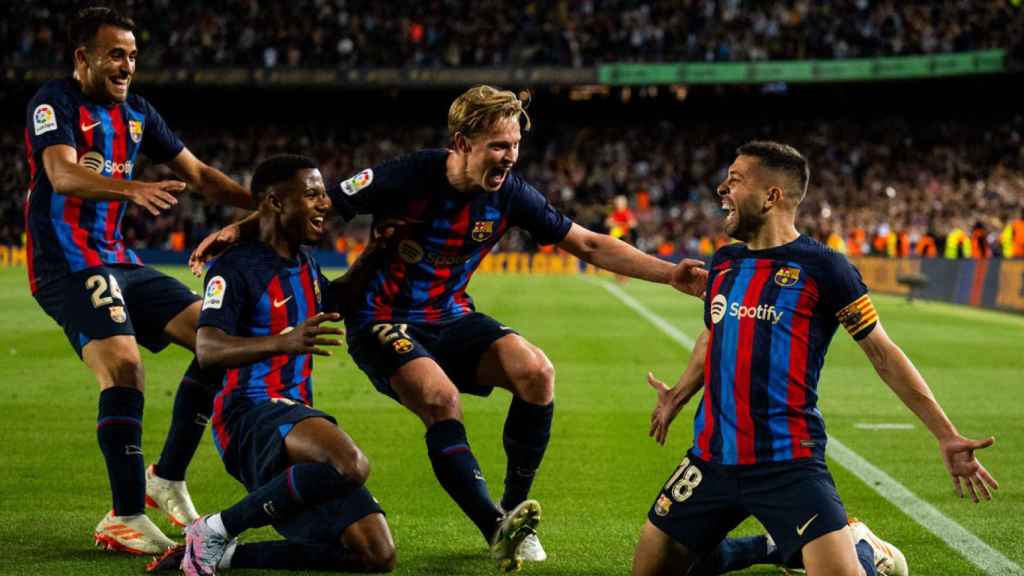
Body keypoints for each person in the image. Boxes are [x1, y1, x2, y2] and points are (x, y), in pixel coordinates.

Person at [189, 84, 707, 571]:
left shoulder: (510, 195)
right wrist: (241, 228)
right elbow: (315, 205)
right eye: (498, 146)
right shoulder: (406, 175)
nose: (510, 157)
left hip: (451, 314)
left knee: (537, 373)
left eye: (516, 146)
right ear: (462, 143)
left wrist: (670, 274)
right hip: (381, 319)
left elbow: (588, 244)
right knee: (440, 399)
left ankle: (512, 510)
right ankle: (494, 527)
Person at [634, 141, 999, 576]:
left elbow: (883, 353)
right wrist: (678, 394)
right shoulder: (726, 263)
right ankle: (769, 548)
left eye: (735, 180)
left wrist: (946, 434)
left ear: (772, 196)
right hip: (710, 459)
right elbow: (716, 335)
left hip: (788, 462)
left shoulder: (825, 268)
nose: (721, 189)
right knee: (655, 570)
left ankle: (865, 549)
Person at [24, 6, 252, 555]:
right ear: (84, 58)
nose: (126, 66)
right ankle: (123, 516)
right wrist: (131, 189)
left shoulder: (139, 113)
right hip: (68, 263)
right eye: (115, 55)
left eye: (132, 56)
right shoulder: (54, 103)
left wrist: (270, 206)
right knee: (125, 365)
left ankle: (166, 476)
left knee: (221, 340)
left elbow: (198, 175)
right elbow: (60, 172)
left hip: (120, 259)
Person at [148, 155, 395, 575]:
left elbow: (332, 303)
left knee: (376, 556)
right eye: (312, 195)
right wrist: (283, 341)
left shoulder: (303, 262)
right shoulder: (236, 267)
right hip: (250, 413)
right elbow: (208, 348)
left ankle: (219, 555)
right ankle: (216, 528)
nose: (324, 205)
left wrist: (375, 250)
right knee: (350, 464)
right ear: (276, 203)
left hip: (293, 416)